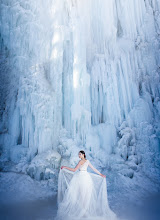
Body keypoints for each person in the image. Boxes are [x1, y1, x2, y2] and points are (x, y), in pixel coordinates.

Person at [55, 150, 118, 220]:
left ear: (83, 154)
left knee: (84, 195)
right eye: (78, 154)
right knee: (83, 195)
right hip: (85, 178)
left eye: (80, 154)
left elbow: (75, 170)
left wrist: (100, 174)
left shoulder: (82, 161)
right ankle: (83, 211)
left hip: (82, 178)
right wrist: (65, 167)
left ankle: (83, 212)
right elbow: (76, 169)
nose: (79, 156)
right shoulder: (86, 161)